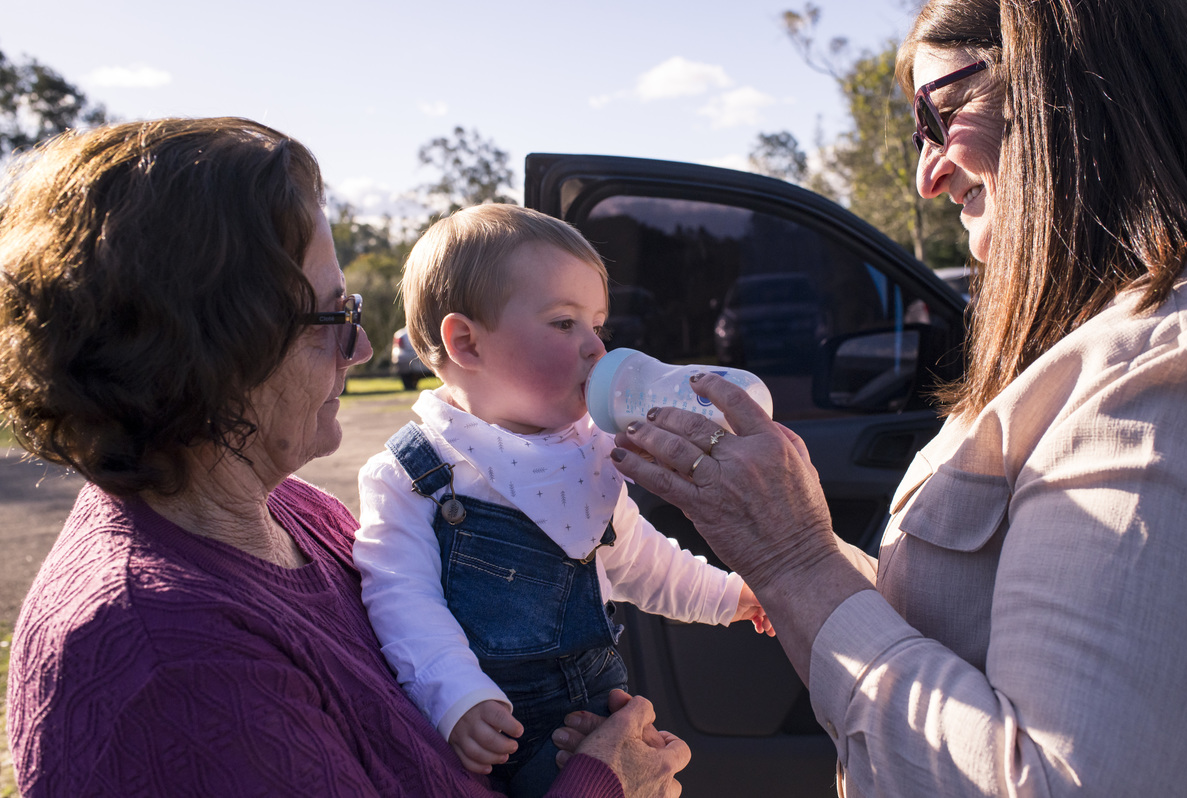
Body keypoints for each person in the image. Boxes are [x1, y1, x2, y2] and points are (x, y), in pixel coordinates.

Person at [570, 0, 1187, 795]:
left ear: (1069, 88)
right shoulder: (1091, 350)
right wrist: (791, 534)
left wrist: (795, 562)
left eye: (942, 114)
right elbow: (970, 635)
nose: (926, 173)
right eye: (917, 134)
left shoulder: (1163, 375)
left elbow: (1063, 780)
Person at [0, 117, 689, 797]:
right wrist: (604, 783)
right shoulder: (166, 657)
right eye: (334, 317)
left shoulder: (296, 514)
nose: (361, 350)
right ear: (212, 348)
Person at [354, 203, 771, 798]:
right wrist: (457, 695)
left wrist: (736, 595)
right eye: (563, 323)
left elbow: (642, 561)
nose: (596, 348)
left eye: (597, 324)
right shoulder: (413, 473)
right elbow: (402, 601)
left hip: (601, 723)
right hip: (495, 733)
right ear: (467, 342)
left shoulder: (589, 451)